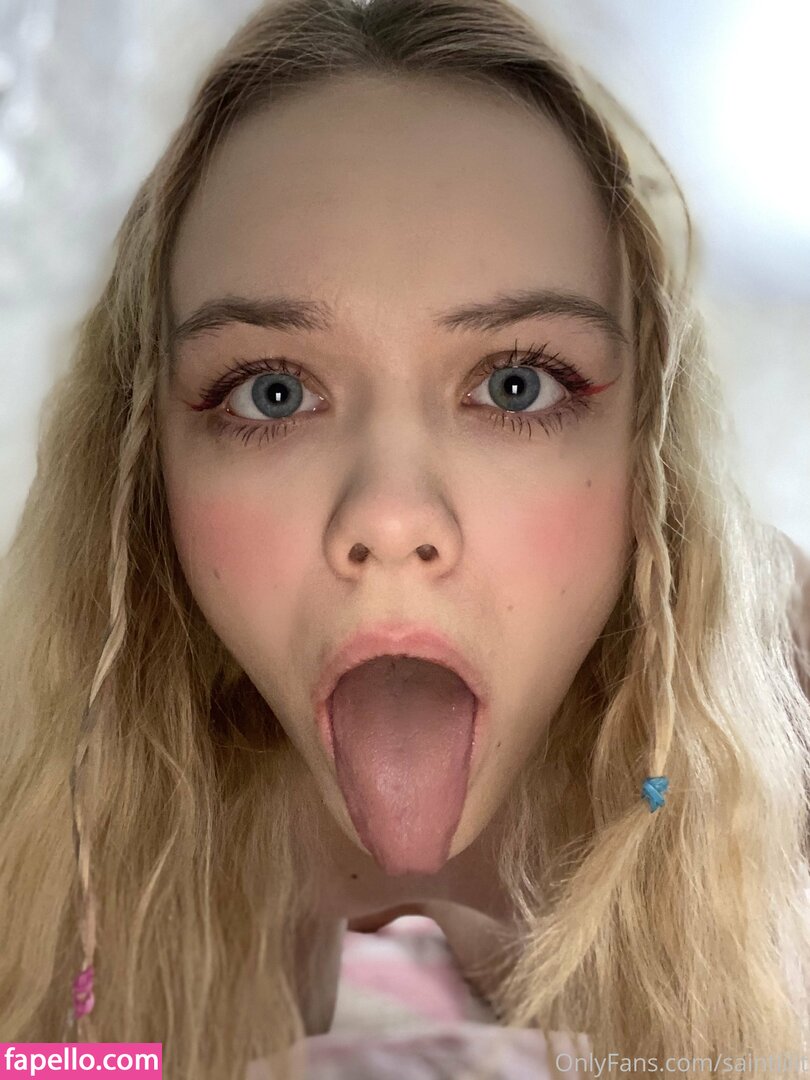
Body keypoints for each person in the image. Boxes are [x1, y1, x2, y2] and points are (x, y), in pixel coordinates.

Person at [1, 0, 809, 1077]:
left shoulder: (787, 708)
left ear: (647, 454)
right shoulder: (37, 807)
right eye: (273, 392)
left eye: (516, 384)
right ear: (145, 468)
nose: (388, 517)